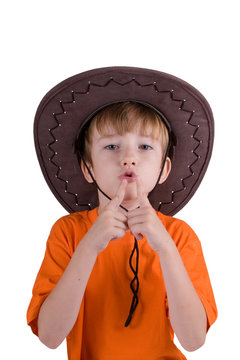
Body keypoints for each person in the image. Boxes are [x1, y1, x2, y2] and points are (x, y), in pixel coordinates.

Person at [27, 67, 217, 360]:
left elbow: (193, 340)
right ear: (86, 168)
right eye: (112, 146)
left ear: (164, 170)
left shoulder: (180, 237)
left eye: (144, 146)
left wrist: (165, 248)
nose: (128, 157)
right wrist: (89, 246)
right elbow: (50, 336)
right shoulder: (68, 233)